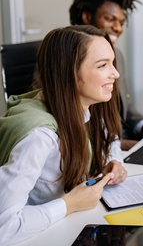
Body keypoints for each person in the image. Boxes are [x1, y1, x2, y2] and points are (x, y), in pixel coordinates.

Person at [0, 25, 128, 245]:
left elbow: (110, 139)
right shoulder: (39, 136)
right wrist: (69, 204)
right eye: (102, 65)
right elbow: (5, 227)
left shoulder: (88, 107)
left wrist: (112, 162)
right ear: (69, 73)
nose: (115, 73)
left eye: (112, 63)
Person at [69, 0, 143, 151]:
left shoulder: (117, 55)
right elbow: (60, 118)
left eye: (121, 23)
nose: (118, 28)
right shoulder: (63, 57)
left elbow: (126, 105)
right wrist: (115, 145)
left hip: (121, 144)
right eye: (110, 19)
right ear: (87, 16)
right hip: (92, 151)